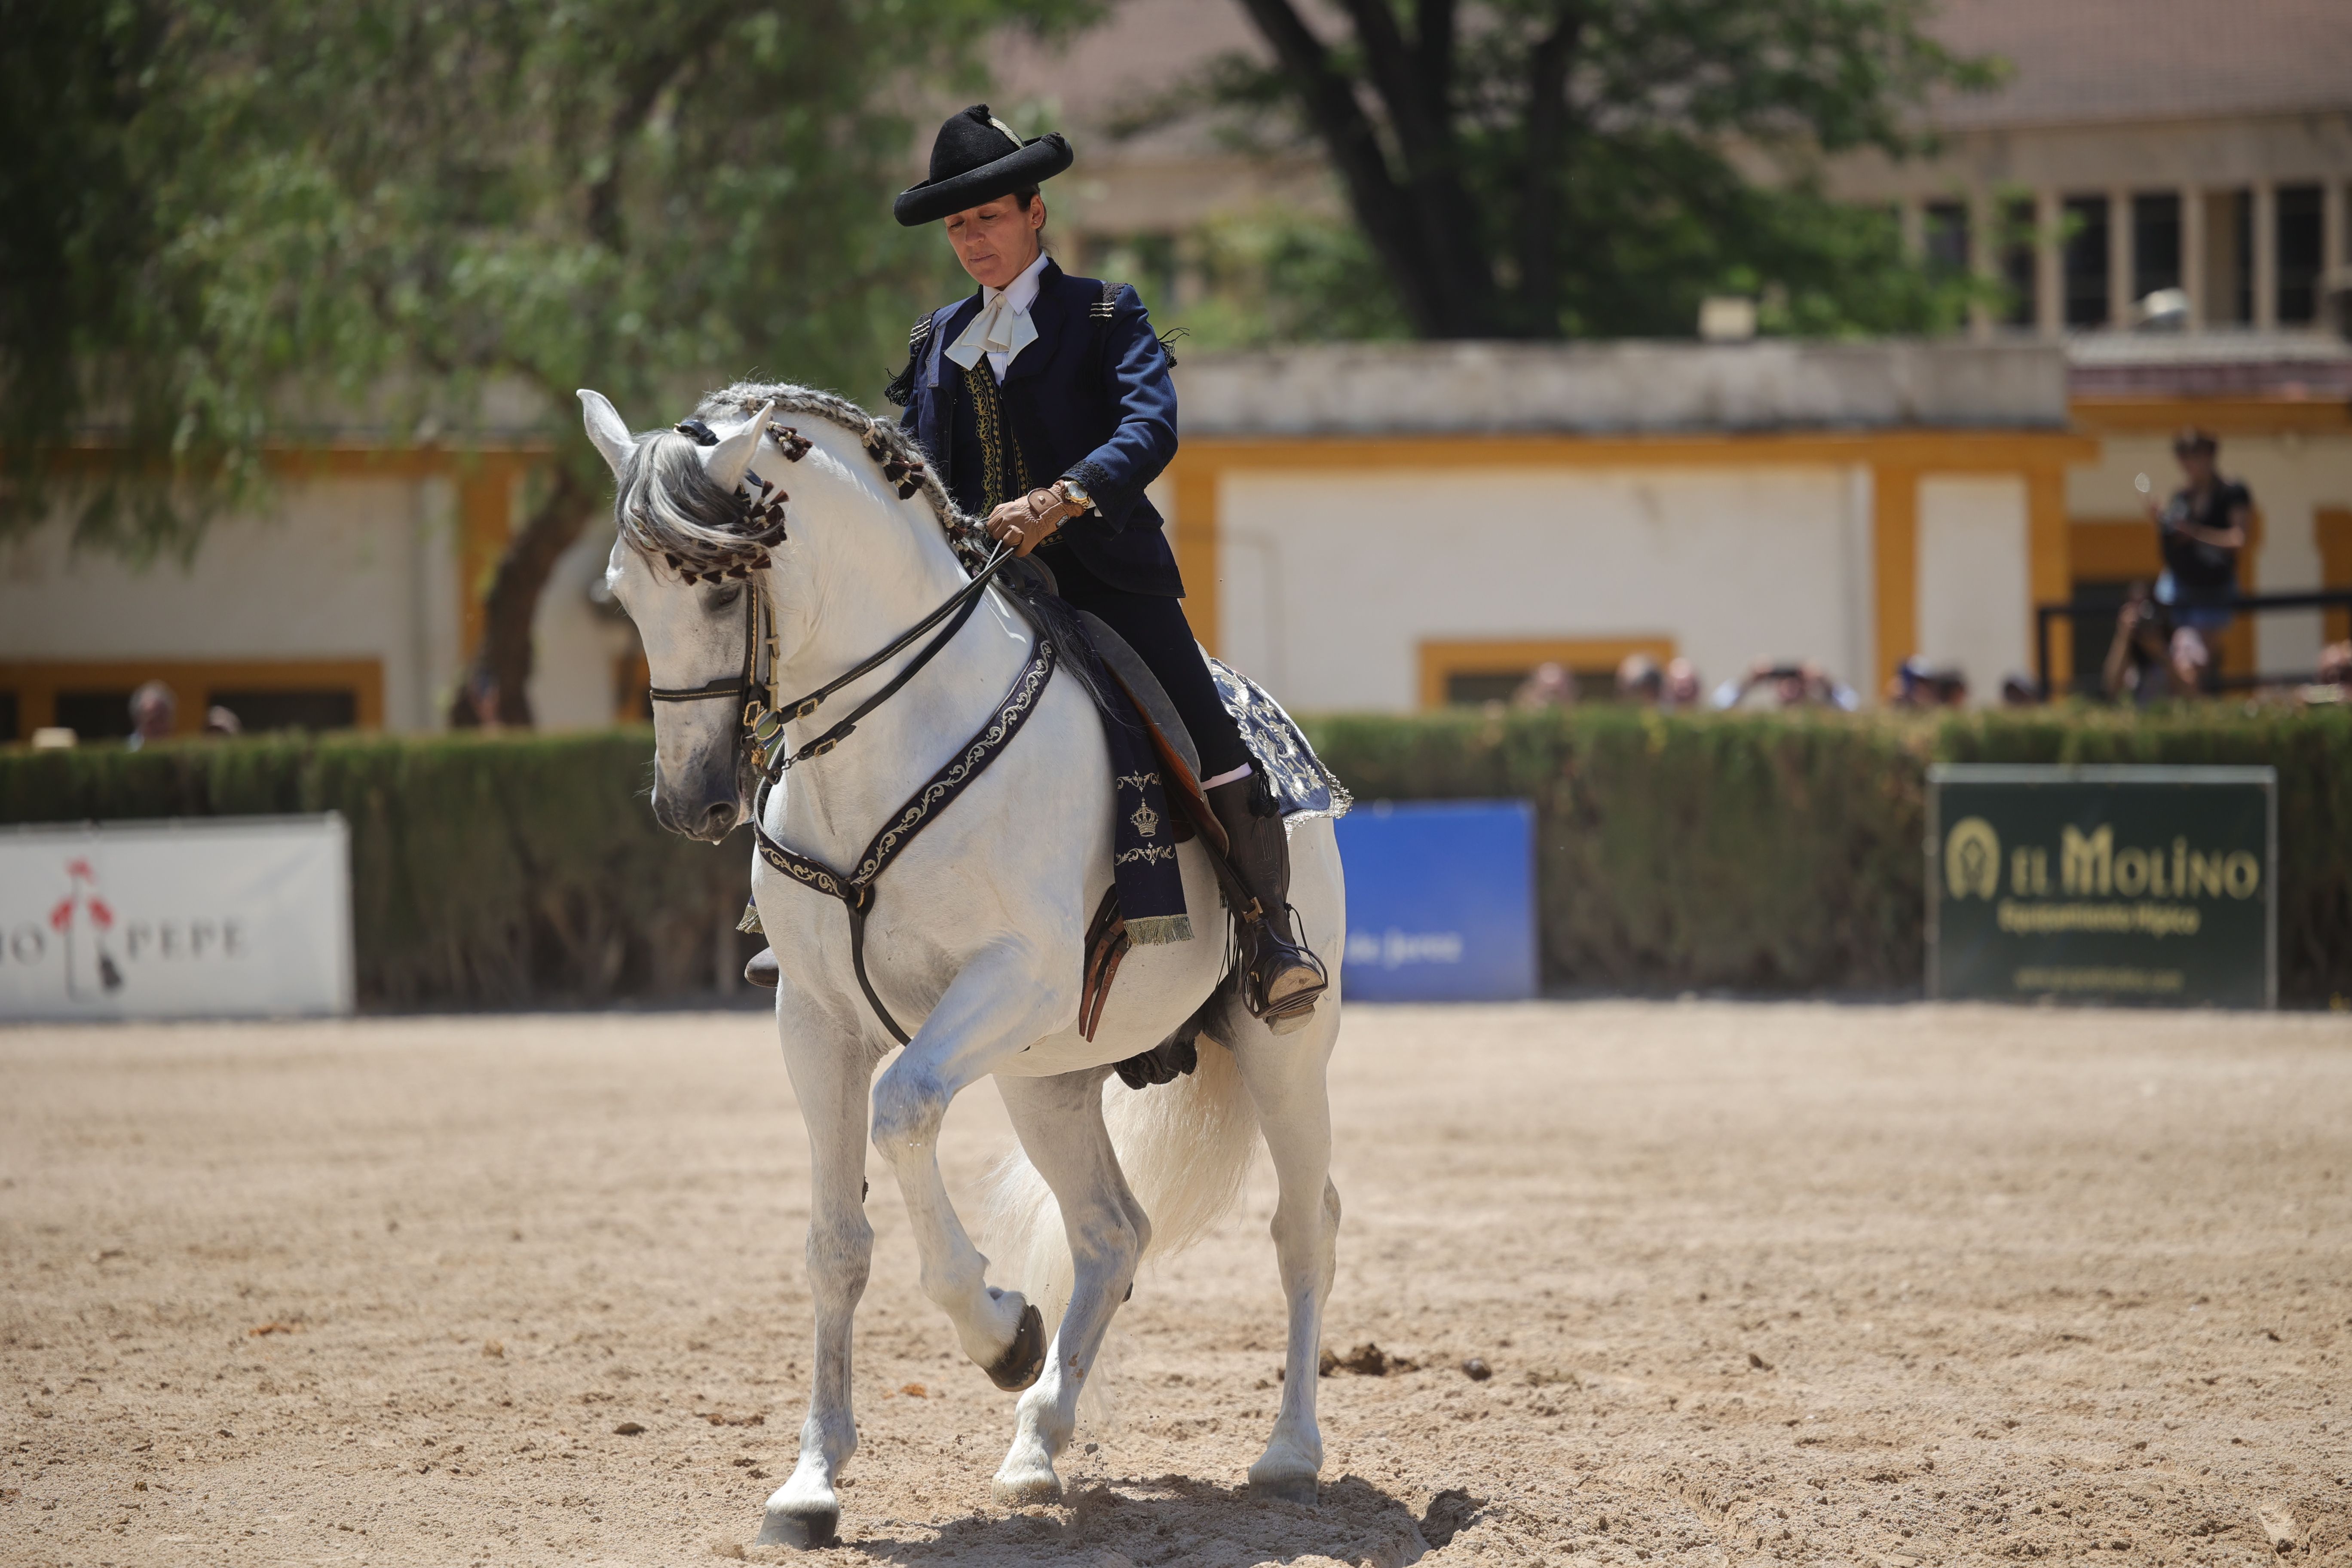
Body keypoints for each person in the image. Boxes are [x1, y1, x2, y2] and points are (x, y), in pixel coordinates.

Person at [879, 104, 1325, 1030]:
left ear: (1034, 213)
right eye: (959, 227)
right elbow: (913, 468)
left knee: (1206, 734)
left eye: (988, 218)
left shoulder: (1107, 312)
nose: (973, 240)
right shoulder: (934, 341)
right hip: (980, 593)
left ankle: (1268, 933)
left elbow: (1149, 427)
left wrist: (1060, 500)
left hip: (1106, 579)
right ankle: (814, 912)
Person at [2148, 427, 2251, 695]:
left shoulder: (2233, 492)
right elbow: (2173, 541)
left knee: (2194, 665)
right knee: (2179, 661)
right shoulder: (2181, 497)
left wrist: (2192, 533)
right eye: (2182, 455)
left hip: (2213, 590)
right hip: (2178, 589)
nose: (2187, 462)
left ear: (2209, 455)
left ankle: (2194, 720)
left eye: (2193, 454)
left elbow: (2237, 540)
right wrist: (2164, 524)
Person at [2101, 581, 2173, 704]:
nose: (2142, 615)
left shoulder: (2175, 644)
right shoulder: (2128, 650)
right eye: (2135, 606)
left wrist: (2160, 653)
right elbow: (2111, 688)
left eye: (2147, 607)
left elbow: (2189, 693)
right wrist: (2124, 636)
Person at [125, 680, 176, 749]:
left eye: (162, 720)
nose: (158, 727)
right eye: (152, 722)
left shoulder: (179, 754)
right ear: (138, 721)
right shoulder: (126, 752)